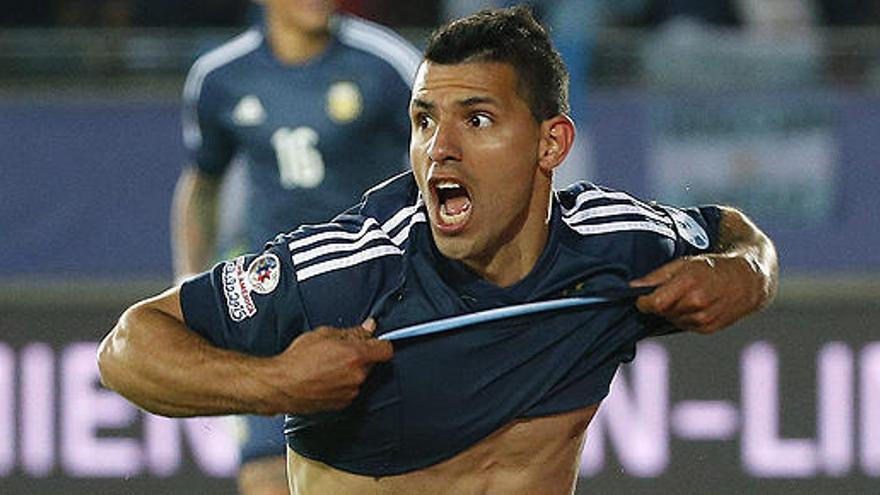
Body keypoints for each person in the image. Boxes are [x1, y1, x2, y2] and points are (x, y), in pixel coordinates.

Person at [100, 7, 778, 494]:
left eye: (476, 119)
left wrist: (748, 271)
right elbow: (128, 346)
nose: (440, 148)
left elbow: (735, 232)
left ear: (552, 144)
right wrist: (276, 382)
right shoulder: (349, 273)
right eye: (424, 120)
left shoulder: (610, 242)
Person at [171, 1, 421, 493]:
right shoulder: (220, 77)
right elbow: (203, 184)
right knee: (266, 474)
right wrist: (187, 277)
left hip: (377, 294)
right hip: (277, 299)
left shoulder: (388, 63)